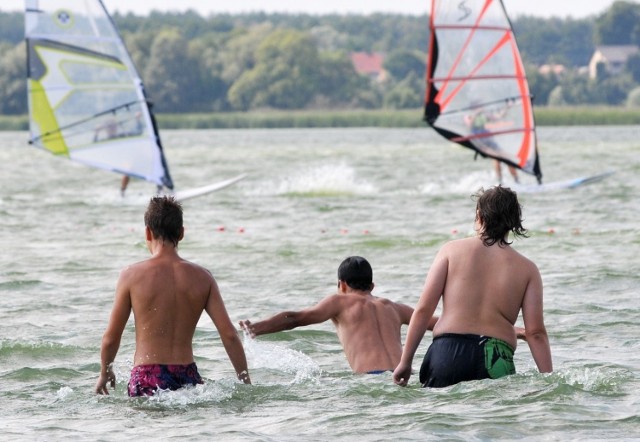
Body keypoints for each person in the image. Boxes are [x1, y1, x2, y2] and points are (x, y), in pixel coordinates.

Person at [393, 186, 552, 388]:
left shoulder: (450, 251)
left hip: (447, 354)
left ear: (479, 216)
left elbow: (424, 309)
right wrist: (549, 381)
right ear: (513, 222)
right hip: (496, 358)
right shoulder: (528, 269)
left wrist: (405, 362)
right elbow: (535, 332)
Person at [95, 196, 251, 396]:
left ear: (147, 232)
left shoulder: (131, 276)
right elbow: (229, 335)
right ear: (181, 233)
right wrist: (245, 382)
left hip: (146, 376)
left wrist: (105, 372)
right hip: (188, 377)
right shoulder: (204, 277)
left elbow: (111, 337)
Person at [240, 256, 438, 374]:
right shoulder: (394, 307)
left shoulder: (339, 301)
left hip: (371, 380)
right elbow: (438, 324)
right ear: (372, 286)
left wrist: (256, 329)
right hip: (402, 376)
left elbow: (295, 318)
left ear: (341, 284)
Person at [464, 102, 519, 184]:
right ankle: (500, 181)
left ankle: (517, 181)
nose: (479, 109)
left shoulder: (484, 114)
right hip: (479, 142)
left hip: (488, 139)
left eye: (480, 107)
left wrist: (507, 107)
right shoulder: (468, 116)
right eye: (477, 107)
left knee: (507, 158)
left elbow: (499, 117)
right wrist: (476, 113)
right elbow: (469, 125)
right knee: (496, 158)